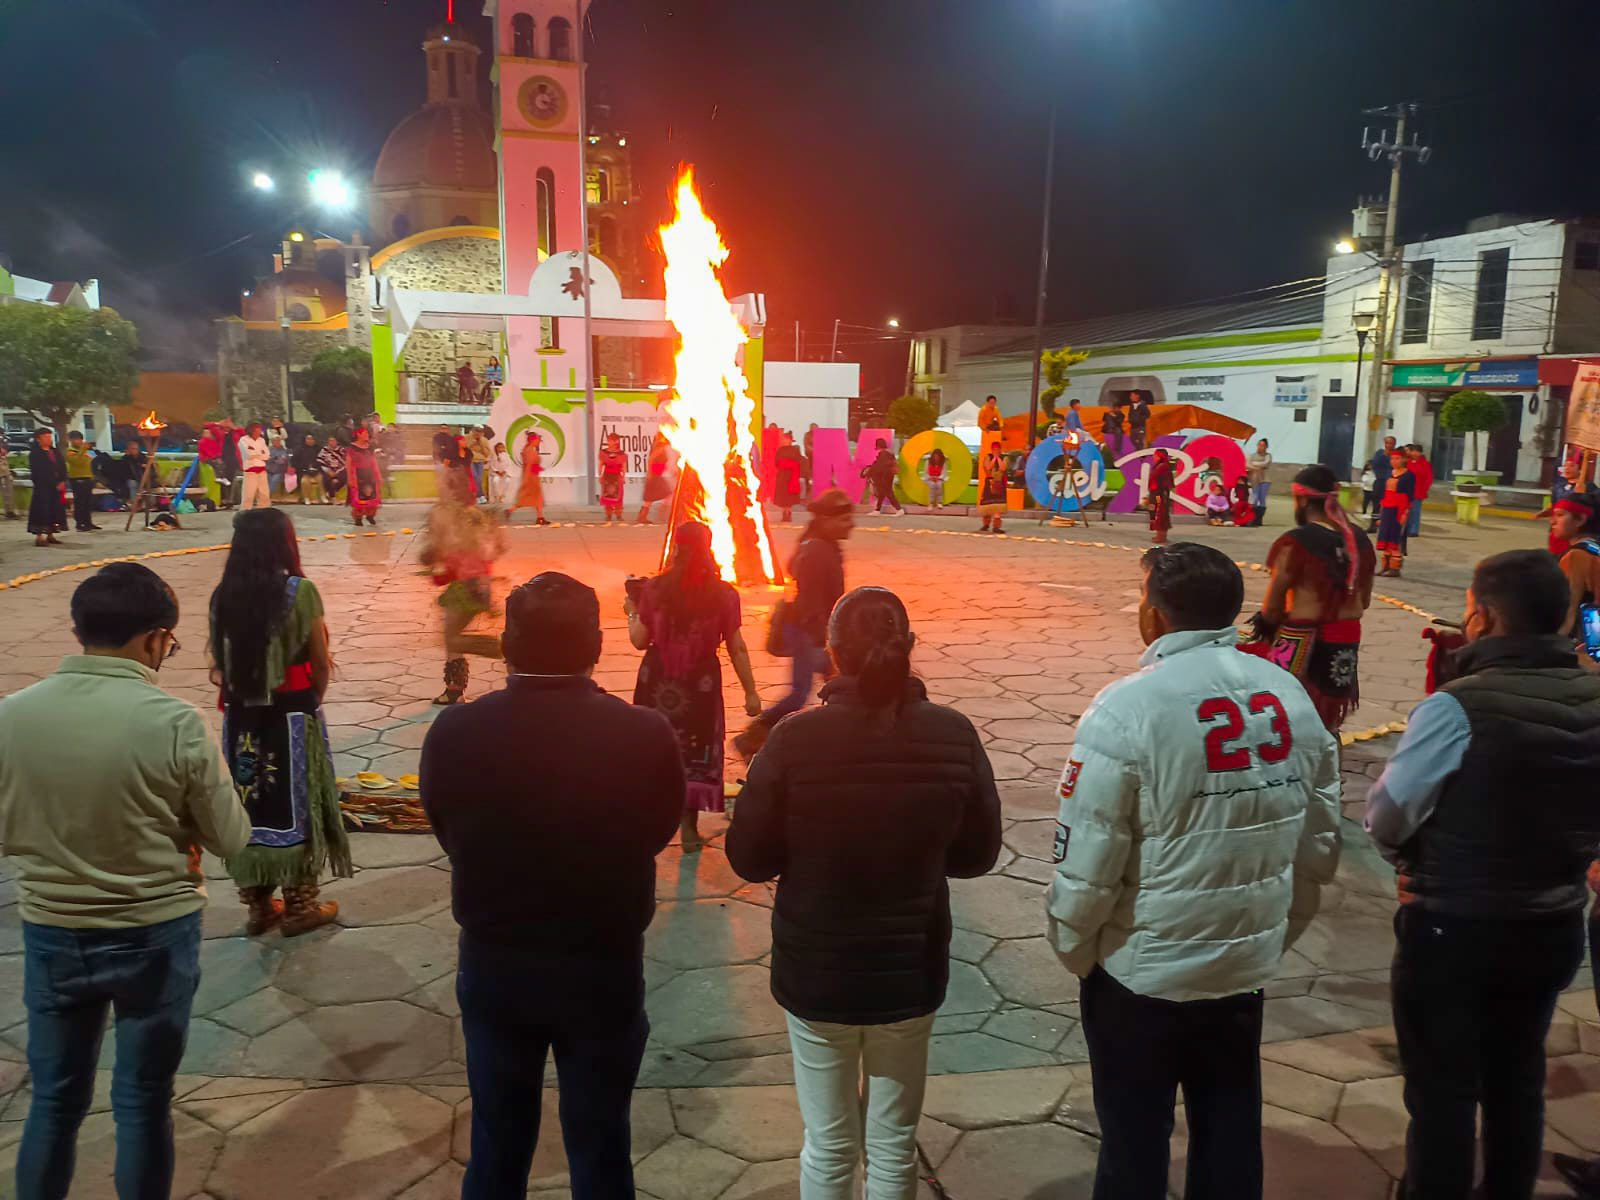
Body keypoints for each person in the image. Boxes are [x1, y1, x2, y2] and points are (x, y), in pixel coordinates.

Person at [1050, 542, 1341, 1200]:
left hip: (1142, 972)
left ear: (1154, 615)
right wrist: (1271, 936)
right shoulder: (1289, 696)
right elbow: (1318, 845)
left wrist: (1077, 948)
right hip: (1241, 971)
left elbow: (1088, 861)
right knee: (1230, 1130)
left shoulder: (1127, 709)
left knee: (1133, 1143)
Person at [728, 587, 1002, 1200]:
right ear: (908, 648)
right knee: (892, 1147)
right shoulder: (953, 735)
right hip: (910, 971)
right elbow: (977, 856)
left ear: (833, 653)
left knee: (827, 1147)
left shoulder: (795, 740)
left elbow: (748, 858)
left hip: (817, 973)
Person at [419, 572, 684, 1200]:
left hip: (497, 964)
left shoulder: (456, 733)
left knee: (497, 1149)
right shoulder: (643, 734)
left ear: (507, 644)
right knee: (600, 1148)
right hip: (602, 964)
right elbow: (655, 830)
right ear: (597, 644)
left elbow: (447, 829)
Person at [0, 562, 251, 1200]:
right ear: (150, 639)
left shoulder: (11, 717)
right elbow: (233, 840)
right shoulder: (176, 722)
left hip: (52, 930)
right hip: (154, 934)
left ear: (79, 629)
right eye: (168, 641)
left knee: (53, 1102)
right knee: (142, 1101)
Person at [1365, 548, 1600, 1200]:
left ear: (1484, 616)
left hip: (1454, 926)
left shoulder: (1456, 707)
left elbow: (1387, 816)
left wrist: (1410, 866)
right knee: (1517, 1078)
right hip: (1554, 921)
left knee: (1443, 1090)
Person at [209, 509, 351, 937]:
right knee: (298, 801)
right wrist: (310, 703)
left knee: (247, 801)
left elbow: (220, 664)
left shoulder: (223, 595)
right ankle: (299, 906)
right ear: (284, 542)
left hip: (240, 719)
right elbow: (319, 662)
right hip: (290, 714)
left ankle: (257, 908)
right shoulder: (299, 591)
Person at [628, 522, 762, 850]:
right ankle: (689, 829)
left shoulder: (655, 590)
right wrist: (750, 691)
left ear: (676, 547)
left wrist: (632, 612)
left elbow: (639, 641)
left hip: (658, 682)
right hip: (700, 684)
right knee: (695, 749)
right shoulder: (724, 594)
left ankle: (651, 824)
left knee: (655, 746)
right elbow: (736, 646)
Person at [1246, 464, 1376, 733]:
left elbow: (1272, 607)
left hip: (1302, 638)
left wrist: (1266, 629)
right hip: (1347, 639)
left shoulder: (1295, 542)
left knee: (1285, 714)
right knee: (1327, 724)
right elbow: (1364, 601)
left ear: (1301, 499)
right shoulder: (1360, 539)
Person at [733, 488, 853, 759]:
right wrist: (824, 641)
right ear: (825, 520)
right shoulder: (817, 550)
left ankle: (835, 741)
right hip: (807, 631)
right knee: (800, 694)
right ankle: (752, 737)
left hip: (813, 630)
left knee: (838, 686)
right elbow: (811, 603)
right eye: (844, 519)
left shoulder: (820, 544)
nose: (850, 525)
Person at [421, 497, 508, 705]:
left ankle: (504, 648)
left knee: (452, 639)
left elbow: (445, 575)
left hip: (465, 593)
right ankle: (454, 690)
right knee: (451, 640)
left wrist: (436, 565)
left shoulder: (461, 546)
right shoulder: (473, 545)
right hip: (468, 591)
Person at [1550, 495, 1600, 642]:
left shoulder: (1576, 556)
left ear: (1580, 520)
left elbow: (1569, 610)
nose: (1552, 522)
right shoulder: (1595, 547)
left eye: (1560, 515)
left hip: (1589, 641)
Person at [1376, 449, 1414, 577]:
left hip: (1399, 508)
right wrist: (1381, 511)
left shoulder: (1409, 476)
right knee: (1385, 535)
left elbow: (1409, 496)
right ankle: (1385, 567)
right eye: (1392, 459)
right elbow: (1384, 493)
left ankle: (1395, 568)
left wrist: (1405, 512)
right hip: (1387, 507)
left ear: (1404, 459)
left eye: (1397, 458)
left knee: (1395, 537)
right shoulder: (1389, 474)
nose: (1394, 461)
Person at [27, 429, 67, 548]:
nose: (49, 439)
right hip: (42, 487)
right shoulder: (35, 454)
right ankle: (39, 536)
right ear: (38, 439)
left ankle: (51, 533)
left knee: (54, 510)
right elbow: (38, 471)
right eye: (45, 437)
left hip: (56, 486)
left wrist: (62, 480)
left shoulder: (54, 451)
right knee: (41, 510)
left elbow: (62, 466)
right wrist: (49, 481)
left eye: (50, 437)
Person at [507, 429, 549, 526]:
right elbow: (529, 465)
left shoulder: (529, 449)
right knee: (528, 497)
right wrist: (526, 479)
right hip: (531, 477)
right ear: (533, 440)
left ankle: (540, 517)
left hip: (533, 476)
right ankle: (511, 510)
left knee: (536, 497)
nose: (539, 442)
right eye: (538, 440)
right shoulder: (529, 450)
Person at [345, 425, 383, 527]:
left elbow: (374, 462)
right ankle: (358, 518)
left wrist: (378, 476)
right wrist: (349, 478)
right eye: (364, 433)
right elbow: (348, 464)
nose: (367, 435)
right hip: (357, 475)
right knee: (359, 499)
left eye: (367, 433)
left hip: (370, 475)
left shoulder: (370, 447)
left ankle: (370, 516)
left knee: (372, 498)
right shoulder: (352, 448)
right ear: (358, 434)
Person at [64, 431, 100, 533]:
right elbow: (77, 462)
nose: (79, 441)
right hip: (77, 479)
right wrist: (83, 450)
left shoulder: (85, 451)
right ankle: (80, 524)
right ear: (71, 440)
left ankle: (88, 522)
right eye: (76, 439)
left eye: (80, 439)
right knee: (80, 502)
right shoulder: (70, 452)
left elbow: (91, 460)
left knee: (88, 502)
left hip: (88, 477)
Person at [638, 430, 675, 525]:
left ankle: (648, 515)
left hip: (658, 473)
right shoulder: (660, 447)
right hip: (655, 474)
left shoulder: (660, 446)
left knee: (661, 495)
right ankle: (657, 514)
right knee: (655, 496)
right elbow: (652, 459)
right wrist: (650, 474)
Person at [861, 437, 904, 515]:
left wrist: (869, 472)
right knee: (882, 493)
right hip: (889, 475)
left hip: (885, 476)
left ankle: (899, 509)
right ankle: (877, 510)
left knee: (888, 492)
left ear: (878, 445)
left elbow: (879, 466)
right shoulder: (890, 452)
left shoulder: (883, 453)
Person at [771, 431, 803, 523]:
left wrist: (788, 464)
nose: (784, 441)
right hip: (782, 475)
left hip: (791, 476)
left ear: (789, 440)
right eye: (783, 439)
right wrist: (785, 464)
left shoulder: (795, 450)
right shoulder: (780, 450)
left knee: (789, 496)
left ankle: (788, 513)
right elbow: (777, 462)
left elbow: (798, 461)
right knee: (783, 496)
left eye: (785, 439)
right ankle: (784, 513)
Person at [238, 421, 271, 510]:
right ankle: (244, 513)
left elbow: (267, 455)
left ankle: (264, 512)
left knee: (264, 495)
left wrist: (257, 454)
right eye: (257, 430)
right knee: (248, 495)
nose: (259, 432)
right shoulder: (243, 440)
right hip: (250, 470)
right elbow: (249, 454)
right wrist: (260, 454)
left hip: (262, 470)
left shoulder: (262, 440)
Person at [1367, 435, 1397, 531]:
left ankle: (1386, 526)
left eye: (1391, 443)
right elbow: (1375, 465)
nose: (1388, 445)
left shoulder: (1396, 455)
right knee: (1376, 505)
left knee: (1388, 506)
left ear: (1394, 444)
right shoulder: (1379, 453)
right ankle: (1373, 525)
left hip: (1391, 483)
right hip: (1379, 482)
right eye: (1387, 443)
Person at [1404, 444, 1434, 539]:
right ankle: (1405, 529)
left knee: (1415, 511)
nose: (1415, 453)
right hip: (1406, 491)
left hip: (1418, 491)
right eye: (1413, 451)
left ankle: (1413, 530)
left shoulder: (1425, 464)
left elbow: (1429, 478)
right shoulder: (1406, 463)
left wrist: (1424, 489)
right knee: (1405, 511)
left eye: (1418, 451)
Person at [977, 441, 1007, 534]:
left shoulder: (1004, 458)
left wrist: (998, 458)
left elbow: (1003, 468)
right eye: (995, 449)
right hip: (989, 482)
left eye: (998, 449)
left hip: (999, 483)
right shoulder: (987, 457)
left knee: (998, 506)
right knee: (987, 506)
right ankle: (986, 524)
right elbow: (988, 468)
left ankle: (996, 526)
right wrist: (994, 458)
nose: (996, 451)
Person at [1147, 447, 1175, 545]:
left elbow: (1164, 482)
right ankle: (1160, 534)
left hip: (1160, 494)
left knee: (1160, 513)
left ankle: (1161, 536)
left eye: (1155, 455)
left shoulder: (1163, 467)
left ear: (1160, 456)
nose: (1154, 457)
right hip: (1157, 492)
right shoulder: (1160, 466)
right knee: (1157, 512)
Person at [598, 433, 628, 525]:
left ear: (616, 441)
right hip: (607, 475)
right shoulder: (604, 452)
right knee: (607, 496)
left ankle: (619, 514)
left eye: (612, 440)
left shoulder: (621, 454)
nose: (610, 442)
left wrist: (623, 477)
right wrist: (600, 475)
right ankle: (608, 515)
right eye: (609, 440)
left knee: (619, 497)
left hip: (617, 476)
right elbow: (600, 464)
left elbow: (624, 466)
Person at [1247, 438, 1272, 526]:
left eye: (1263, 445)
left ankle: (1259, 518)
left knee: (1262, 499)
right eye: (1259, 445)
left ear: (1266, 447)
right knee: (1255, 498)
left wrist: (1254, 464)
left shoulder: (1268, 455)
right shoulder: (1252, 455)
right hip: (1254, 479)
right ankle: (1253, 518)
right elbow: (1247, 464)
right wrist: (1257, 466)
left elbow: (1266, 463)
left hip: (1265, 479)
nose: (1260, 447)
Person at [316, 436, 347, 506]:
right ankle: (333, 497)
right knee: (326, 477)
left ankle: (330, 492)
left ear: (337, 442)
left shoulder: (342, 450)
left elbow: (346, 462)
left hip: (340, 470)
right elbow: (320, 462)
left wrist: (337, 473)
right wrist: (328, 471)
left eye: (333, 441)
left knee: (345, 474)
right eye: (330, 441)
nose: (332, 442)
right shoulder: (324, 450)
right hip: (327, 469)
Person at [292, 433, 322, 504]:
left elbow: (322, 460)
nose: (310, 441)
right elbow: (294, 461)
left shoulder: (319, 449)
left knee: (322, 478)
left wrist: (315, 467)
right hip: (303, 470)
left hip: (316, 470)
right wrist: (305, 468)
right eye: (308, 439)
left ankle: (323, 497)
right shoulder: (299, 449)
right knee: (304, 481)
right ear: (305, 440)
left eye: (312, 439)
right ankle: (306, 498)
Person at [467, 426, 492, 501]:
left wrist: (481, 444)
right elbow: (465, 448)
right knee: (474, 477)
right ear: (473, 431)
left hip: (480, 461)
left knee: (479, 479)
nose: (477, 433)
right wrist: (473, 442)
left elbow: (487, 453)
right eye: (476, 431)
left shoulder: (484, 440)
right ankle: (480, 495)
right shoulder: (467, 437)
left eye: (479, 431)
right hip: (470, 460)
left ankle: (479, 496)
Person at [487, 441, 513, 505]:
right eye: (499, 447)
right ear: (496, 448)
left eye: (502, 447)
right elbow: (491, 465)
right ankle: (496, 496)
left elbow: (509, 464)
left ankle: (503, 496)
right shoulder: (493, 455)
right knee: (495, 480)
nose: (500, 449)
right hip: (496, 473)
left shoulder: (507, 455)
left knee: (508, 481)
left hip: (504, 472)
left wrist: (504, 471)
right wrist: (497, 471)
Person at [266, 433, 289, 499]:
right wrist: (275, 458)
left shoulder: (284, 450)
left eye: (278, 440)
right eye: (275, 440)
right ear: (272, 441)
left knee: (274, 480)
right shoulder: (268, 450)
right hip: (268, 471)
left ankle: (266, 497)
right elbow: (266, 459)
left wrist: (273, 459)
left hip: (279, 472)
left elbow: (282, 461)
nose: (276, 442)